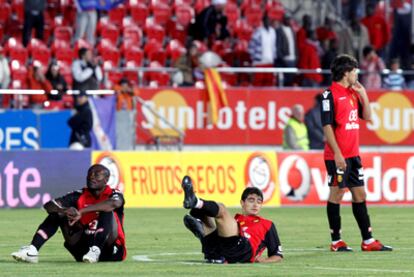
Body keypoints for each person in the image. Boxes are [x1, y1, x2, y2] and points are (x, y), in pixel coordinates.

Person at [320, 54, 392, 252]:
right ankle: (336, 241)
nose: (356, 74)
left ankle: (367, 241)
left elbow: (367, 117)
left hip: (353, 155)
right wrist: (337, 154)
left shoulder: (353, 93)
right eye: (354, 71)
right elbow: (327, 126)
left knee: (360, 194)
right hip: (338, 156)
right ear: (345, 72)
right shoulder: (329, 95)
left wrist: (364, 95)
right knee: (337, 194)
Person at [11, 164, 126, 263]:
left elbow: (113, 204)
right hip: (83, 251)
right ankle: (32, 250)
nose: (92, 177)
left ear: (106, 180)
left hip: (111, 249)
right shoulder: (78, 194)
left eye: (97, 174)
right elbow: (49, 205)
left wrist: (81, 212)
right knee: (56, 213)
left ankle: (95, 250)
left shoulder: (114, 193)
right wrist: (64, 210)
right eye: (90, 174)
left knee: (107, 210)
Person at [181, 176, 283, 264]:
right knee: (202, 212)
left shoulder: (266, 224)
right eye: (251, 200)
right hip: (221, 250)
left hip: (243, 250)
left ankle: (197, 207)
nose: (255, 204)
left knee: (221, 210)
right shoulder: (236, 219)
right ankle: (200, 223)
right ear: (242, 203)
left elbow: (277, 255)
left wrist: (265, 260)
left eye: (259, 201)